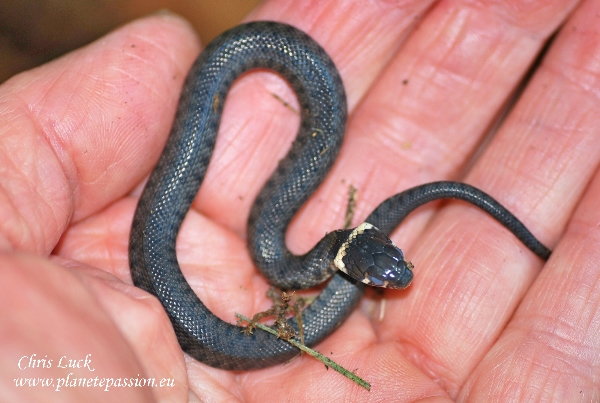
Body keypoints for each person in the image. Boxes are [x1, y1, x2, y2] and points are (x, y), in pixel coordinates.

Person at [2, 1, 599, 401]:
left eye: (383, 275)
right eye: (381, 277)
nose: (391, 280)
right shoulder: (290, 262)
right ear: (353, 252)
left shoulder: (287, 257)